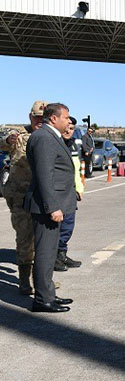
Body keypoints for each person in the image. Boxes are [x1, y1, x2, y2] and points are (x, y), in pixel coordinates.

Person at [24, 103, 76, 313]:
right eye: (66, 117)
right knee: (45, 254)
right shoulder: (44, 138)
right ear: (54, 118)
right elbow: (45, 176)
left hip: (53, 204)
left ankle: (48, 294)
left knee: (50, 252)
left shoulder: (50, 136)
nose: (69, 121)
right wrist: (52, 207)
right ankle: (42, 300)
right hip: (47, 207)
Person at [1, 100, 46, 295]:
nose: (40, 122)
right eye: (37, 118)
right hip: (21, 196)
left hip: (44, 196)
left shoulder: (50, 136)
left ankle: (42, 281)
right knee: (25, 238)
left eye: (43, 119)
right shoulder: (19, 136)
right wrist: (8, 139)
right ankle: (24, 280)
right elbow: (2, 139)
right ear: (30, 117)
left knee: (44, 240)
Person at [55, 117, 84, 272]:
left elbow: (76, 170)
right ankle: (54, 258)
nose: (68, 131)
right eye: (66, 127)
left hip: (71, 192)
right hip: (59, 192)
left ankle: (62, 254)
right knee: (57, 227)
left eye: (72, 129)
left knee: (68, 226)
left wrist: (79, 188)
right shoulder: (55, 143)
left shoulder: (73, 144)